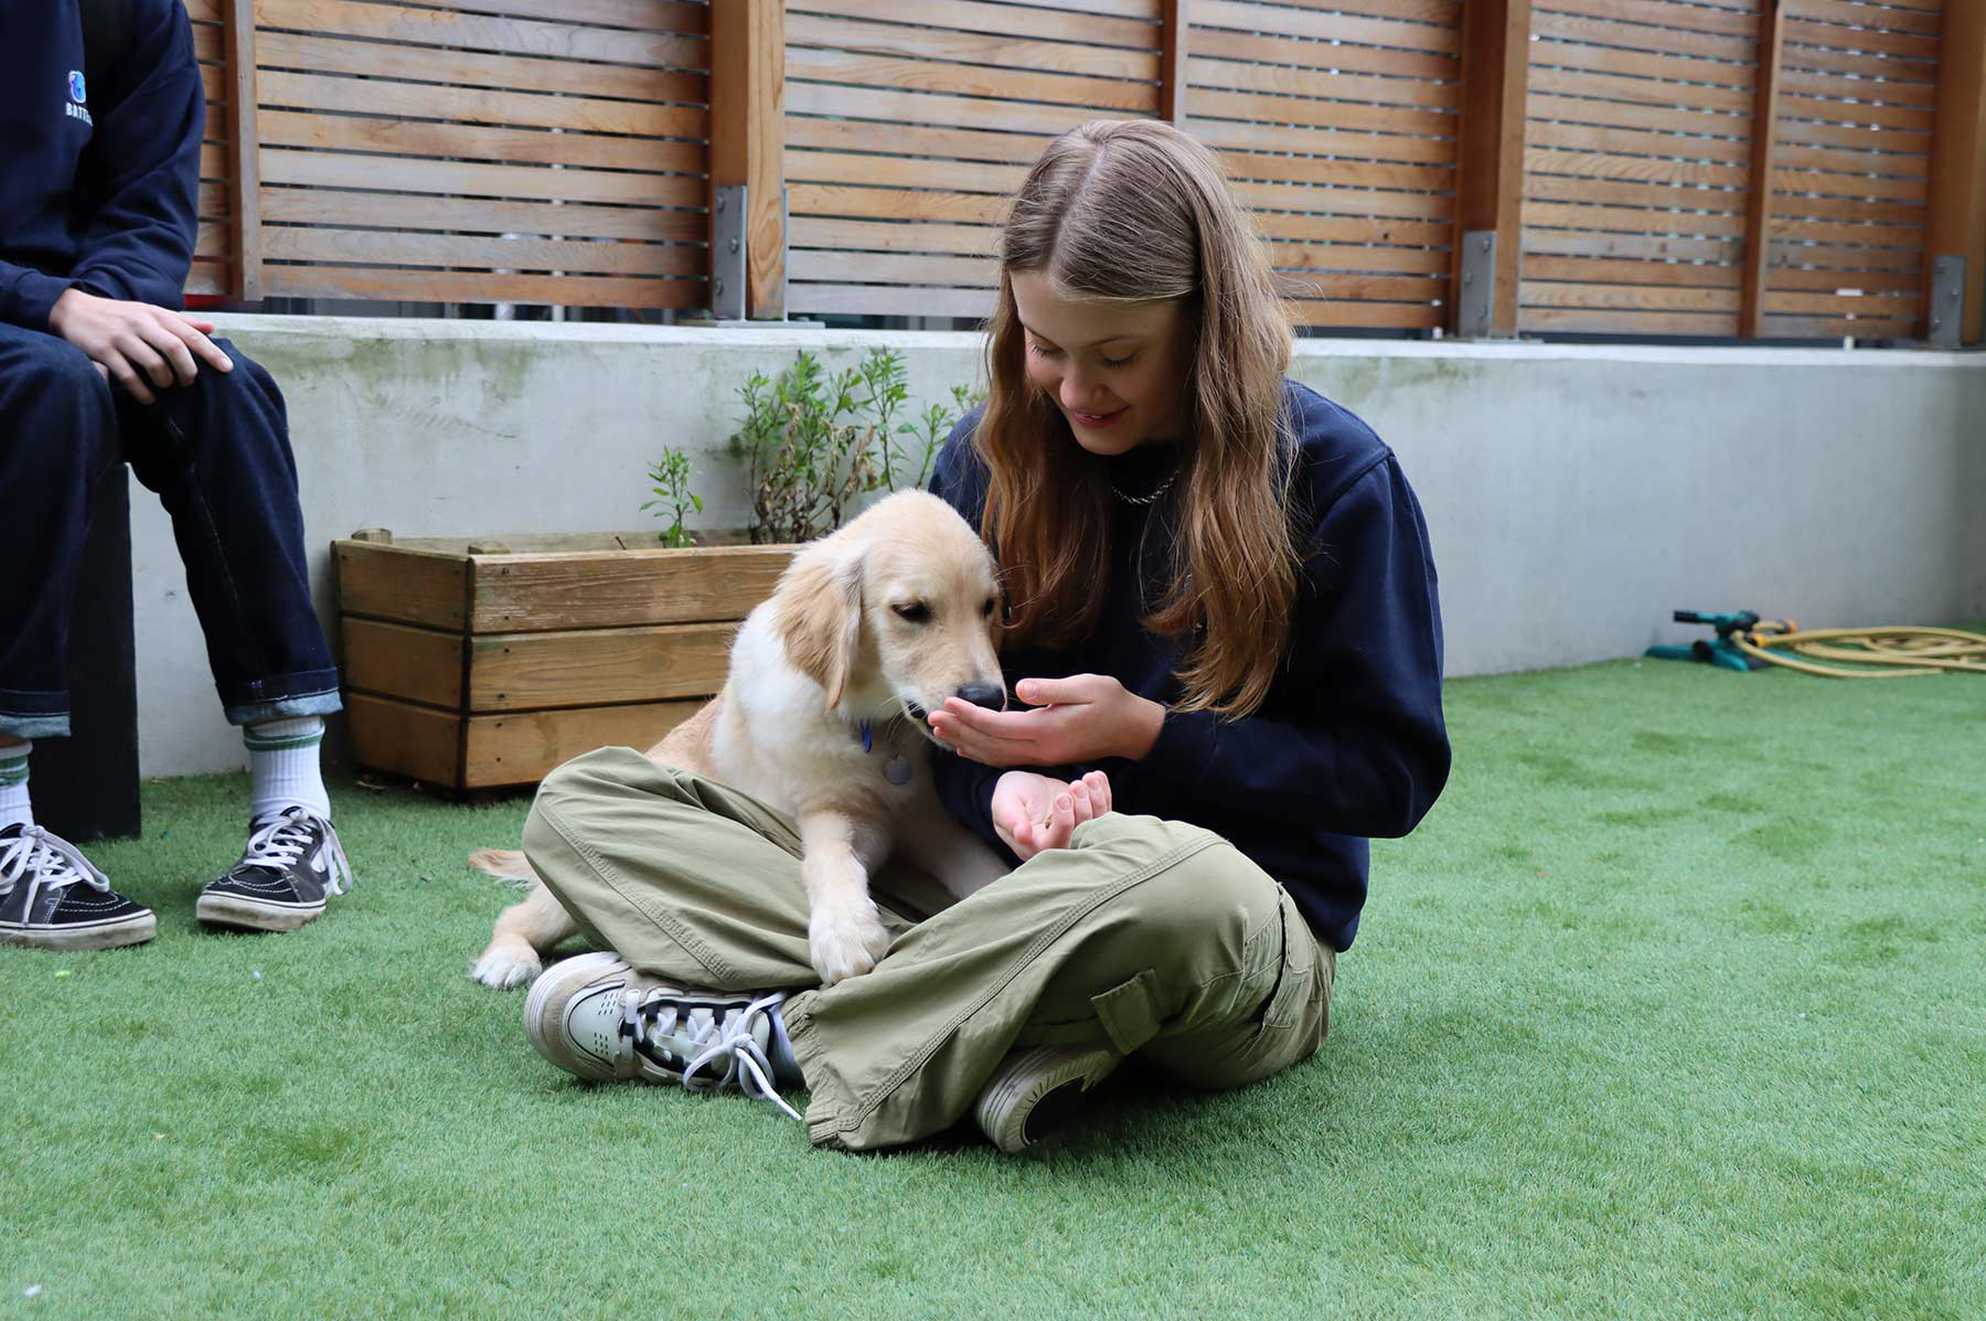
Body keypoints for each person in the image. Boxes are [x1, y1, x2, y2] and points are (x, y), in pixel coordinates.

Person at [512, 120, 1450, 1152]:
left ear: (1205, 324)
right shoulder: (992, 458)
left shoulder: (1337, 479)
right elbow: (939, 736)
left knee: (1163, 882)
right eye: (1046, 348)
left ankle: (790, 1033)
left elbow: (1391, 777)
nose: (1077, 391)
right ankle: (999, 1041)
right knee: (587, 805)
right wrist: (997, 787)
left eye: (1119, 356)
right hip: (981, 888)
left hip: (1207, 927)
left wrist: (1146, 736)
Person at [0, 0, 351, 951]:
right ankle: (1, 820)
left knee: (222, 386)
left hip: (68, 318)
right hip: (30, 327)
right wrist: (52, 306)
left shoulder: (135, 13)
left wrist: (112, 314)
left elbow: (150, 208)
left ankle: (294, 802)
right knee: (46, 386)